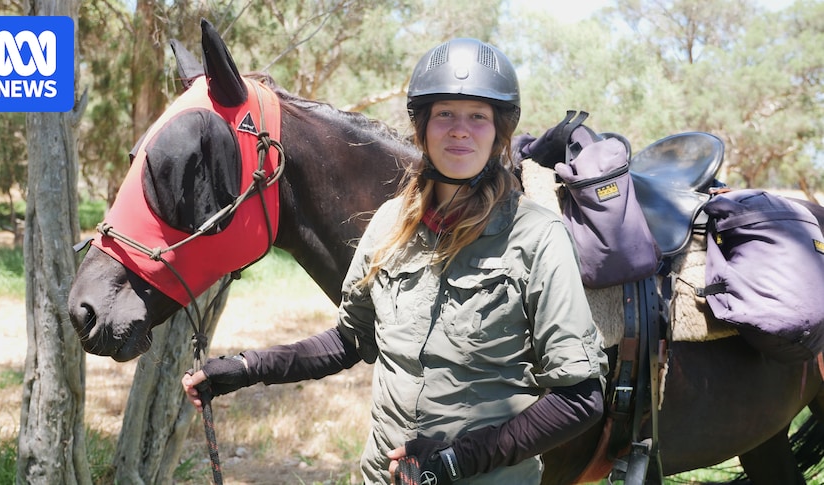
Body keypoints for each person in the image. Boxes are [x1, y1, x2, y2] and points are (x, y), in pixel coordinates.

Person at [183, 37, 608, 485]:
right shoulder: (391, 223)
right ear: (422, 127)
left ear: (498, 131)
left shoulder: (538, 236)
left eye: (478, 117)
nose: (460, 129)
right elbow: (350, 340)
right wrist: (247, 368)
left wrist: (457, 460)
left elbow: (579, 398)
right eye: (444, 114)